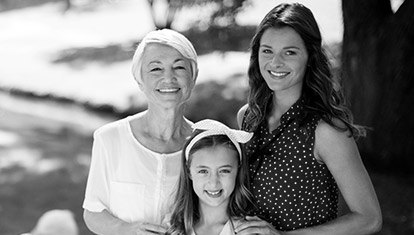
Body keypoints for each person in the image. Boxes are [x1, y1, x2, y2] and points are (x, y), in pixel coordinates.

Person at [235, 3, 382, 235]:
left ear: (310, 57)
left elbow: (369, 218)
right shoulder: (247, 117)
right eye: (267, 50)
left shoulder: (326, 131)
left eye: (290, 52)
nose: (275, 62)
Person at [82, 28, 198, 235]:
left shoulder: (204, 143)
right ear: (139, 81)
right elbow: (93, 212)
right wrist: (127, 229)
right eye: (156, 69)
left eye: (179, 67)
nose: (168, 78)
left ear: (193, 76)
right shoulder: (109, 139)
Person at [166, 119, 254, 235]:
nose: (214, 183)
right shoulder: (171, 228)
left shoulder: (249, 230)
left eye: (224, 171)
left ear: (238, 170)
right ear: (189, 171)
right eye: (203, 171)